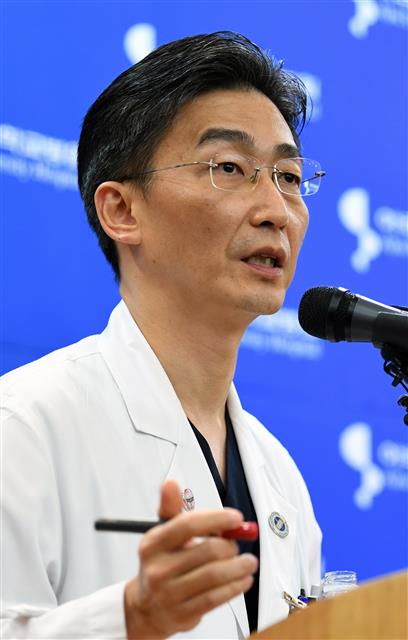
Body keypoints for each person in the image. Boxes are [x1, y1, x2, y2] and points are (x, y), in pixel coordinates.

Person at [1, 31, 323, 639]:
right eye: (229, 168)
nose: (277, 210)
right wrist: (128, 618)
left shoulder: (279, 475)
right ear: (122, 210)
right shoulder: (23, 426)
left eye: (288, 176)